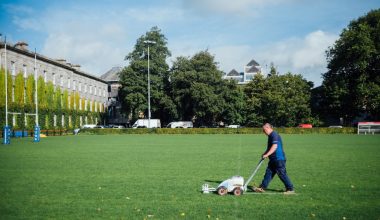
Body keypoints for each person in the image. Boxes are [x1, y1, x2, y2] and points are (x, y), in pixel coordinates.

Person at [254, 123, 295, 194]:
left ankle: (290, 189)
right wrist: (265, 153)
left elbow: (274, 147)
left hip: (278, 159)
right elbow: (269, 148)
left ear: (268, 128)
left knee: (282, 174)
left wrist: (267, 154)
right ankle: (262, 187)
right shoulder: (270, 136)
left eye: (264, 130)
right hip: (273, 159)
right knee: (268, 173)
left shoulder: (274, 134)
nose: (263, 132)